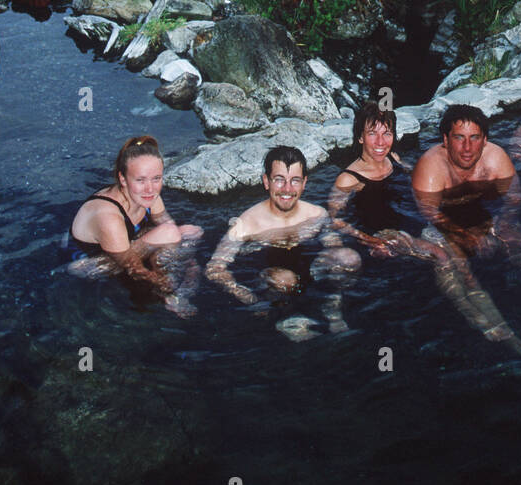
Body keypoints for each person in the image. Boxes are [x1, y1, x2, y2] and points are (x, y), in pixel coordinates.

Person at [412, 105, 521, 361]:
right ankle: (509, 339)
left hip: (484, 215)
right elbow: (431, 215)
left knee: (518, 243)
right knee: (458, 270)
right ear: (446, 140)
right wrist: (467, 237)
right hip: (443, 225)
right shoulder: (430, 168)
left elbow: (514, 198)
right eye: (459, 137)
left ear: (485, 139)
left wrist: (503, 225)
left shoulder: (495, 157)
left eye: (475, 138)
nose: (467, 147)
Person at [207, 145, 361, 337]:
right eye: (279, 180)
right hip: (268, 277)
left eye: (294, 180)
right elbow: (214, 268)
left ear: (304, 183)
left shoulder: (316, 214)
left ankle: (333, 307)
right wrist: (248, 297)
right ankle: (285, 317)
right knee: (284, 279)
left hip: (308, 270)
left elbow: (333, 244)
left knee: (348, 258)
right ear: (266, 181)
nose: (287, 189)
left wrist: (332, 265)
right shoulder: (246, 224)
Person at [67, 134, 203, 315]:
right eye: (140, 180)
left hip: (128, 244)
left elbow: (169, 225)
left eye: (156, 178)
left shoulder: (148, 194)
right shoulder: (108, 217)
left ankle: (175, 291)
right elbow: (132, 267)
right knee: (169, 234)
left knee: (192, 232)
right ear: (123, 179)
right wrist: (163, 283)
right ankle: (173, 298)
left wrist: (187, 260)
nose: (150, 188)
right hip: (89, 264)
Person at [329, 101, 446, 263]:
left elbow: (418, 176)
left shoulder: (394, 159)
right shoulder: (348, 178)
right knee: (441, 256)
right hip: (381, 236)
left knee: (451, 247)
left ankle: (470, 287)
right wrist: (367, 238)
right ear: (360, 137)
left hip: (411, 224)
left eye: (387, 133)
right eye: (372, 133)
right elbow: (334, 220)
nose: (380, 142)